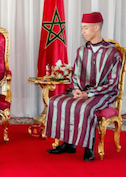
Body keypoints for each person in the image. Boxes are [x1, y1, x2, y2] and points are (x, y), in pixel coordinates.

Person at [45, 12, 122, 162]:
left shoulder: (112, 53)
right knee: (56, 101)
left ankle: (89, 148)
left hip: (104, 94)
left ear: (96, 27)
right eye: (82, 28)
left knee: (86, 108)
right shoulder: (82, 50)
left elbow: (112, 83)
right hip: (83, 91)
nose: (83, 32)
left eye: (85, 28)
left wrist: (89, 94)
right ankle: (68, 144)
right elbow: (76, 74)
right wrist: (76, 89)